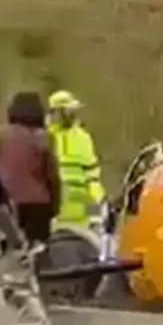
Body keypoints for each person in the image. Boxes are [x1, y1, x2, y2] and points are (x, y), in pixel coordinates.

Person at [0, 91, 61, 245]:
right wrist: (55, 205)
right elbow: (51, 174)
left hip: (6, 203)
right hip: (37, 204)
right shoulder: (44, 137)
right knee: (38, 251)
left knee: (12, 250)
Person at [46, 90, 106, 230]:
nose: (71, 115)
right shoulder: (45, 138)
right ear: (55, 112)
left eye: (73, 111)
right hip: (51, 216)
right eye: (67, 111)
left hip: (79, 216)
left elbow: (92, 176)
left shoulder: (83, 138)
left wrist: (101, 201)